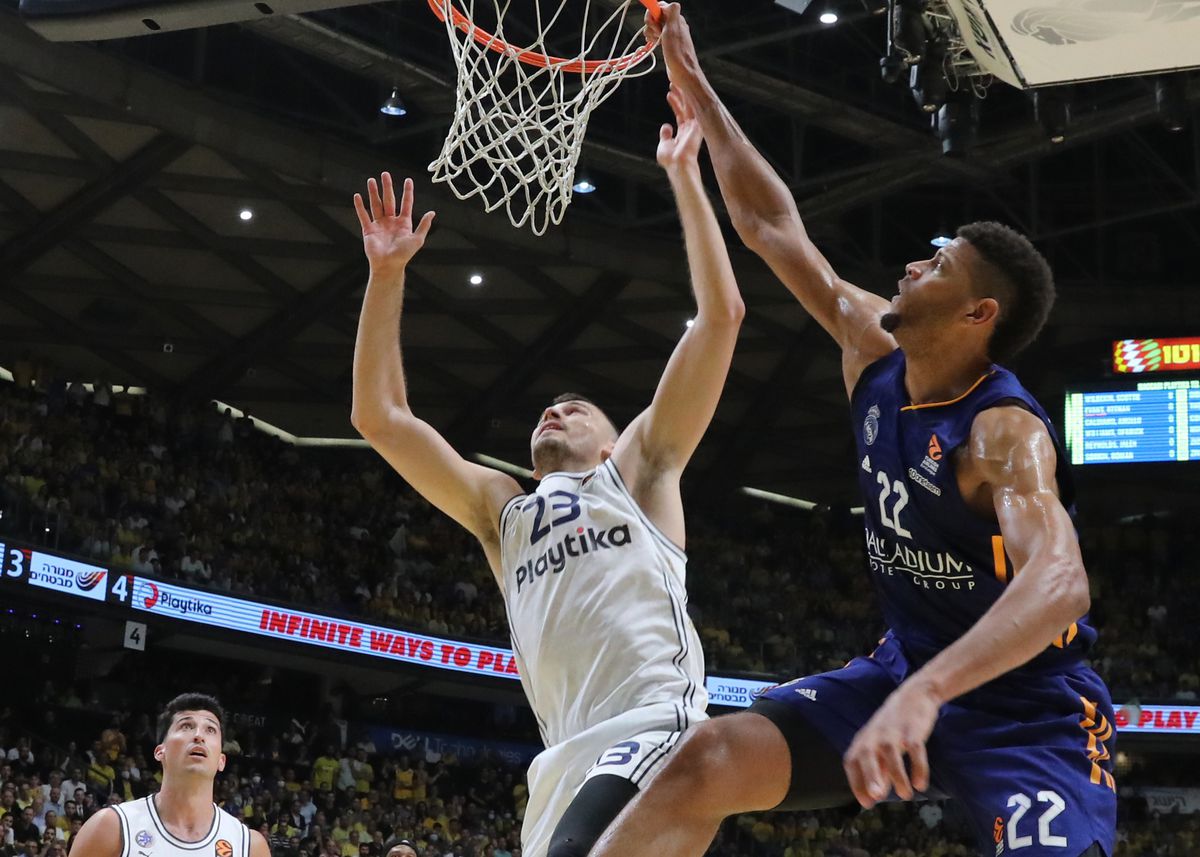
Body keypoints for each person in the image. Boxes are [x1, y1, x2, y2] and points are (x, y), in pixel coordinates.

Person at [589, 6, 1115, 857]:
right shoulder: (871, 347)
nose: (911, 264)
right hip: (902, 668)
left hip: (1027, 709)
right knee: (701, 762)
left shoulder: (1002, 432)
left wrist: (929, 693)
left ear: (979, 314)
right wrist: (692, 78)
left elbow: (1061, 584)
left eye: (938, 265)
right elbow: (771, 227)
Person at [351, 85, 744, 857]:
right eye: (548, 408)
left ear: (611, 440)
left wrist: (685, 180)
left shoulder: (640, 470)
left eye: (577, 407)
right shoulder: (501, 510)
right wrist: (387, 275)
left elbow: (721, 316)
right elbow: (379, 419)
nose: (554, 411)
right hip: (563, 758)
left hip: (655, 722)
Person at [66, 694, 270, 856]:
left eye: (210, 730)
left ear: (221, 761)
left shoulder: (249, 847)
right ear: (160, 751)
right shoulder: (111, 826)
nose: (198, 735)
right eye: (186, 726)